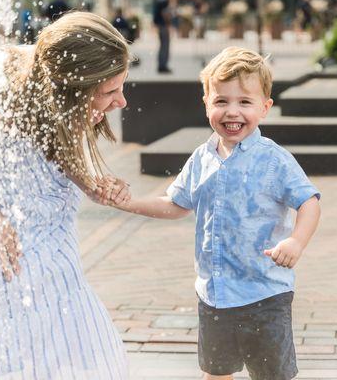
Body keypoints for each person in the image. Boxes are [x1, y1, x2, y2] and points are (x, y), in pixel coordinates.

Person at [0, 10, 132, 379]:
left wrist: (89, 182)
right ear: (70, 88)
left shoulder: (54, 89)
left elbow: (51, 141)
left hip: (15, 167)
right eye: (110, 91)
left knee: (58, 273)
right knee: (11, 278)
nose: (121, 102)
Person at [110, 47, 321, 379]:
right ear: (206, 103)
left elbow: (309, 202)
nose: (231, 111)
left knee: (271, 374)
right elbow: (175, 203)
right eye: (221, 101)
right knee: (216, 372)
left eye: (244, 102)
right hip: (215, 294)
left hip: (265, 293)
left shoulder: (274, 160)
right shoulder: (201, 158)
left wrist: (296, 241)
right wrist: (127, 202)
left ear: (265, 108)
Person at [152, 0, 173, 73]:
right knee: (165, 45)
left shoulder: (159, 0)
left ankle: (161, 65)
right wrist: (168, 24)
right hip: (163, 26)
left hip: (160, 26)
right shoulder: (164, 1)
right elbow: (166, 14)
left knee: (162, 45)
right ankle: (163, 65)